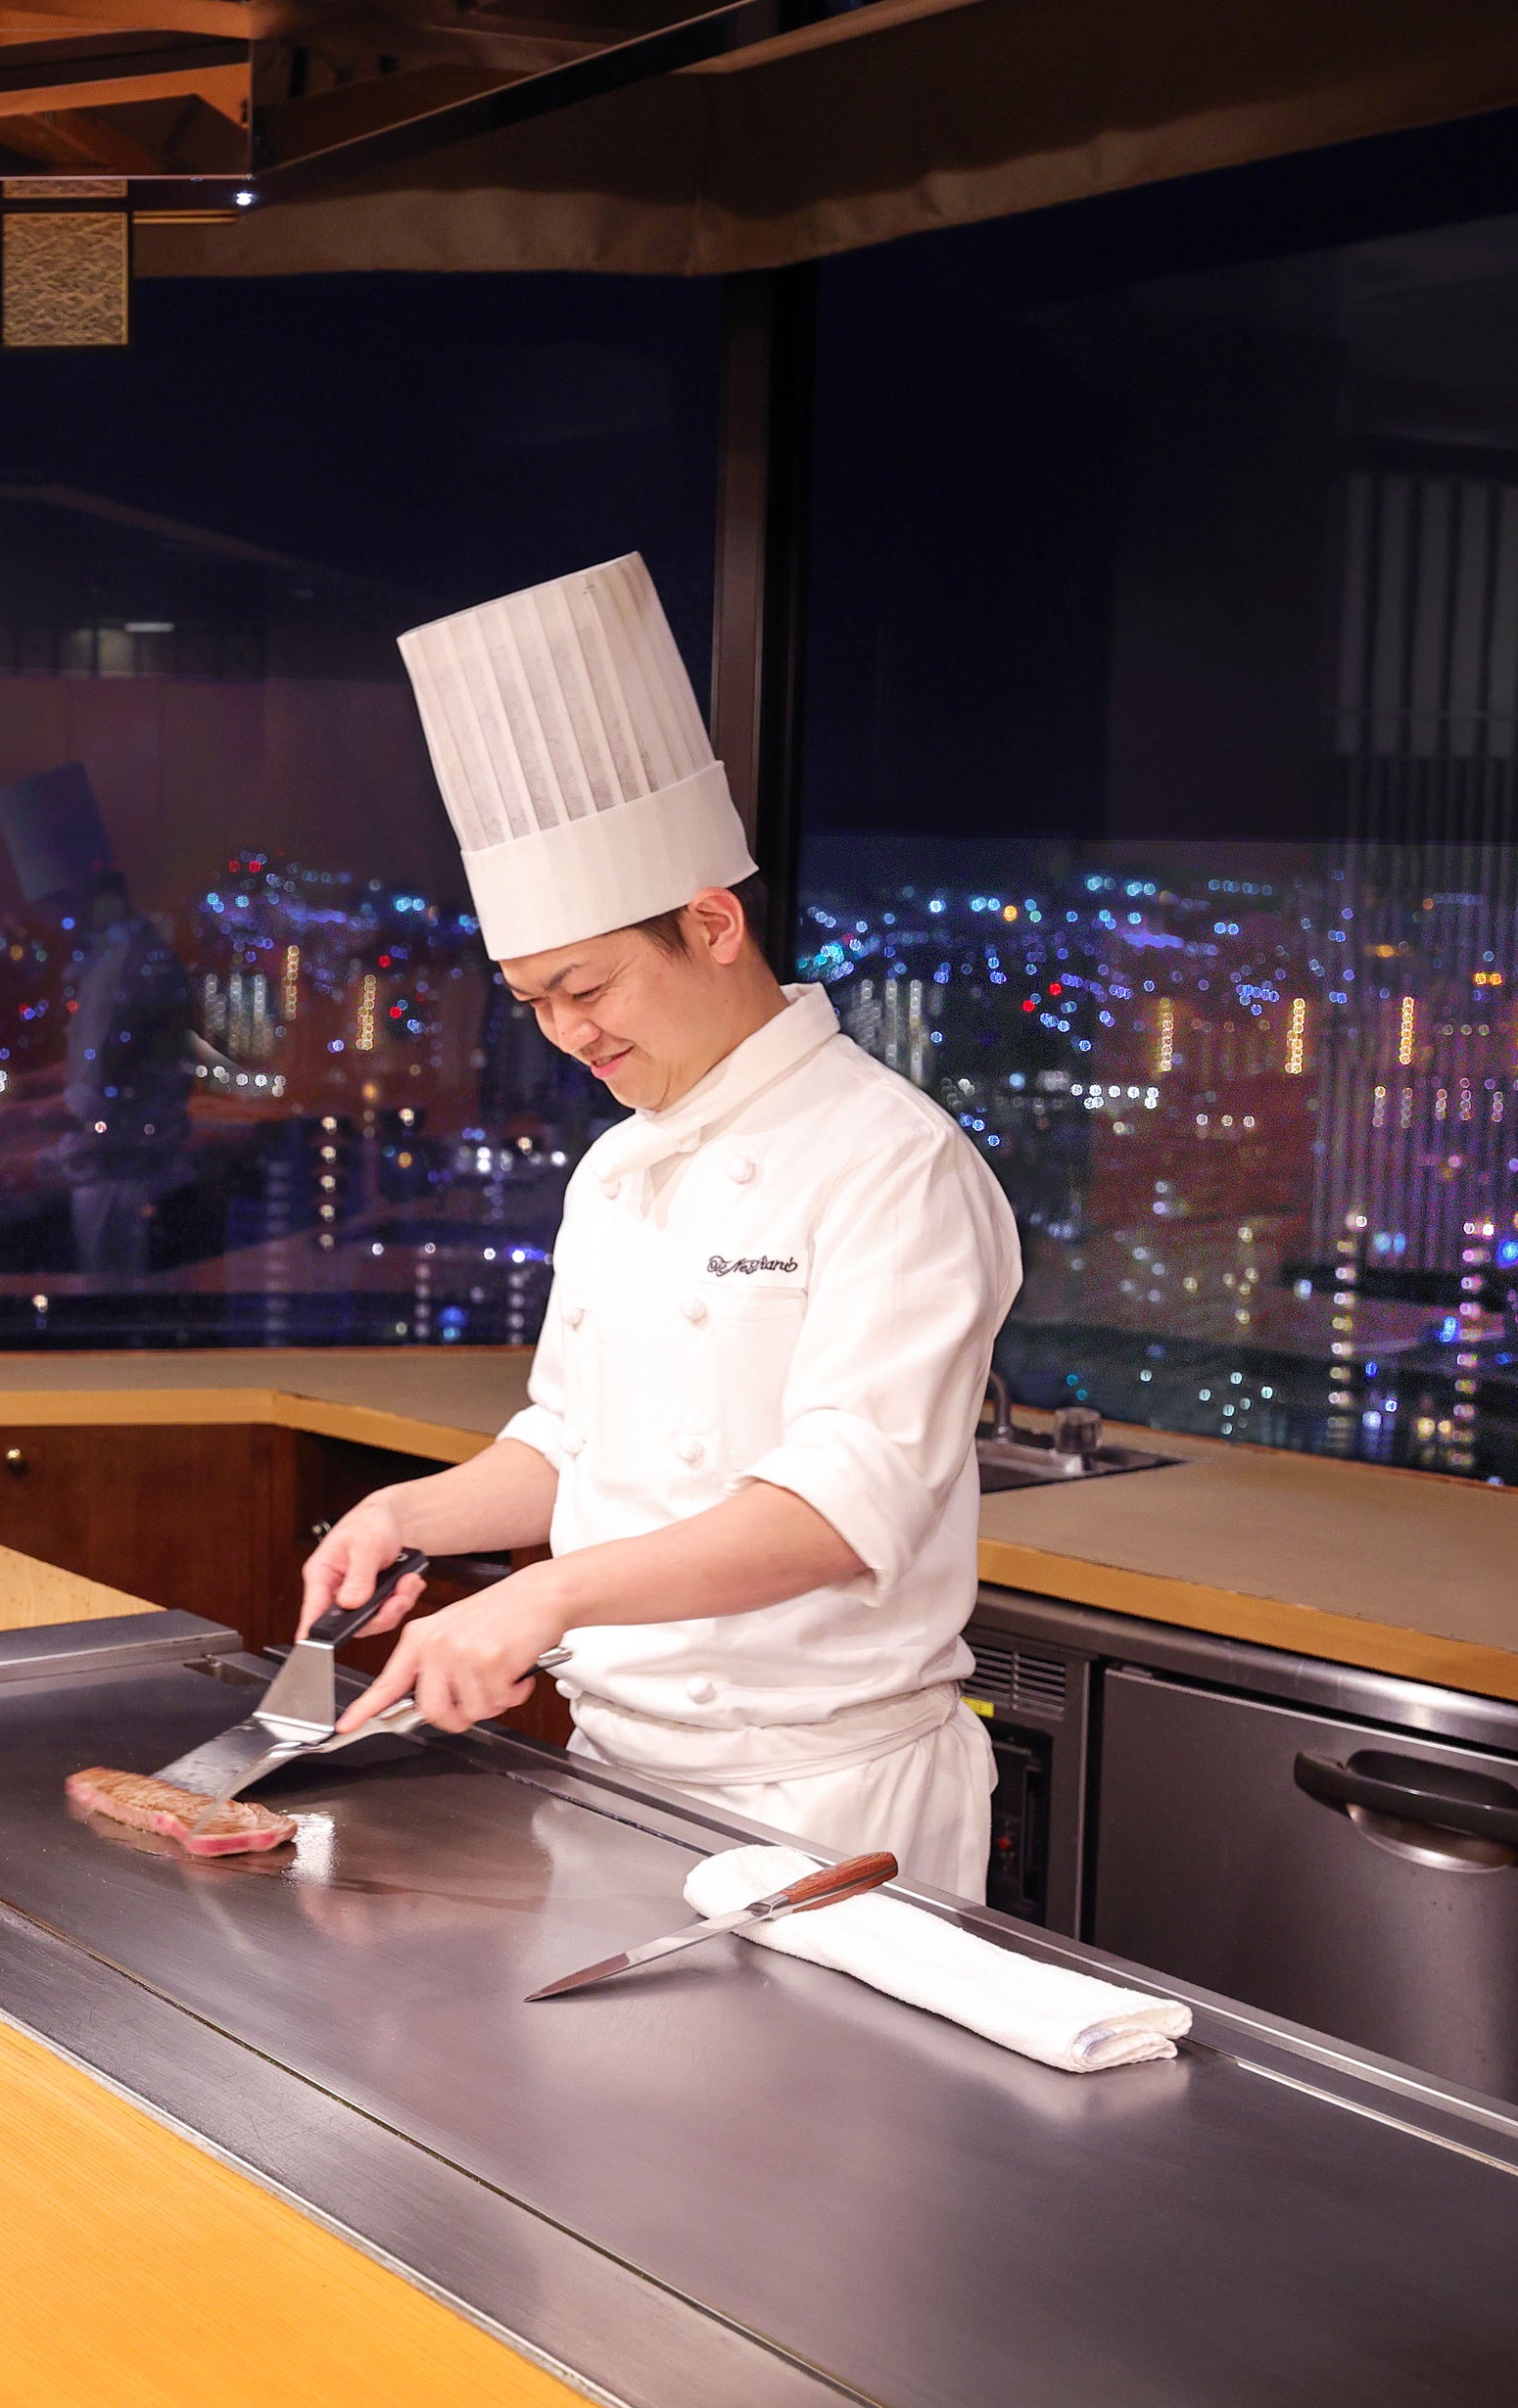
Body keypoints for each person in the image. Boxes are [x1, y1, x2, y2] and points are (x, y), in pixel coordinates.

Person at [300, 555, 1020, 1898]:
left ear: (712, 922)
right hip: (618, 1776)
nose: (566, 1033)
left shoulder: (892, 1158)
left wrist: (546, 1594)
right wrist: (409, 1513)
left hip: (828, 1801)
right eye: (533, 1002)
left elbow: (839, 1509)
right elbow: (573, 1442)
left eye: (587, 986)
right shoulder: (618, 1167)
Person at [0, 763, 201, 1282]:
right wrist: (15, 1088)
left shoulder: (118, 969)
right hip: (142, 1184)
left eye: (57, 905)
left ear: (82, 890)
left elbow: (92, 1103)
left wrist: (6, 1122)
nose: (55, 921)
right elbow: (95, 1068)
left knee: (116, 1318)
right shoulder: (121, 954)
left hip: (121, 1196)